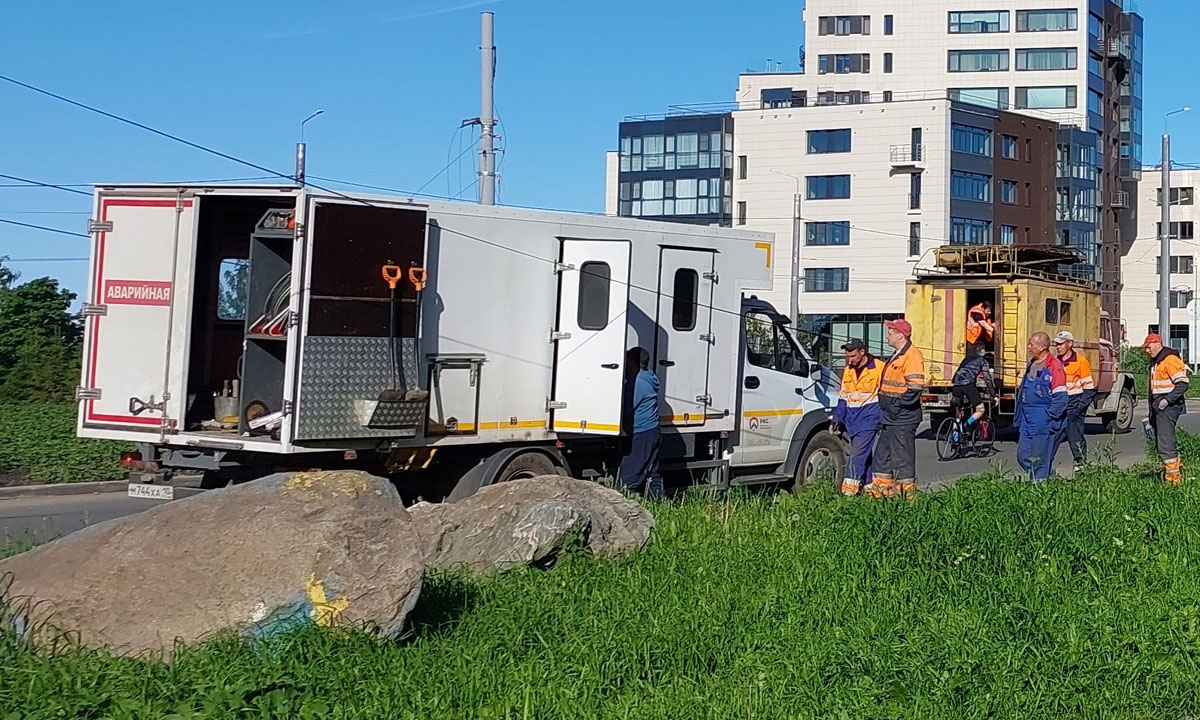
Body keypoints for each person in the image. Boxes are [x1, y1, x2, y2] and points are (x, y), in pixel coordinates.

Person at [865, 319, 925, 499]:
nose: (887, 335)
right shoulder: (898, 354)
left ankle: (905, 497)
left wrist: (895, 406)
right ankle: (882, 493)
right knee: (883, 456)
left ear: (900, 335)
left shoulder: (912, 356)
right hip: (890, 417)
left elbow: (915, 388)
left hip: (901, 418)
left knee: (902, 458)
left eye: (890, 332)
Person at [1014, 332, 1068, 482]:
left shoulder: (1054, 367)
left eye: (1032, 344)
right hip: (1026, 417)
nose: (1029, 347)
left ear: (1043, 347)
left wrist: (1049, 417)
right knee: (1023, 455)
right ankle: (1049, 476)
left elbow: (1061, 398)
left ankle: (1041, 489)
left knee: (1039, 457)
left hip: (1042, 417)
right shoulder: (1031, 364)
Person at [832, 338, 882, 497]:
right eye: (847, 356)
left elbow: (887, 394)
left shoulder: (880, 368)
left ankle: (848, 494)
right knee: (864, 456)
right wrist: (837, 418)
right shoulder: (848, 370)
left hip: (870, 417)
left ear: (862, 352)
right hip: (852, 420)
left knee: (857, 455)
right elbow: (844, 396)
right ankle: (870, 492)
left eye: (852, 356)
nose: (850, 359)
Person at [1143, 333, 1190, 485]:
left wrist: (1166, 400)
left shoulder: (1169, 360)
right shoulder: (1157, 362)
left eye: (1148, 347)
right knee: (1161, 442)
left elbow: (1183, 383)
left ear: (1157, 344)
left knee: (1165, 443)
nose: (1147, 351)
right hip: (1159, 406)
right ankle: (1176, 470)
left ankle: (1173, 481)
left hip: (1168, 407)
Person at [620, 347, 664, 499]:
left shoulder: (637, 383)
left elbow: (625, 408)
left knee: (628, 477)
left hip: (641, 434)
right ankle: (660, 505)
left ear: (633, 363)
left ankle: (627, 512)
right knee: (651, 473)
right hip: (652, 432)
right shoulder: (648, 377)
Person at [1053, 330, 1095, 472]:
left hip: (1074, 403)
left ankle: (1081, 470)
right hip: (1058, 405)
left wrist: (1078, 409)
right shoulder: (1054, 362)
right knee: (1051, 440)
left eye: (1060, 344)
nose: (1058, 347)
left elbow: (1089, 390)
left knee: (1076, 440)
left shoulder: (1081, 361)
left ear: (1069, 344)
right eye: (1056, 344)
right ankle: (1044, 472)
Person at [951, 345, 993, 438]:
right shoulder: (982, 361)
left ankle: (955, 437)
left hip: (956, 385)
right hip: (968, 386)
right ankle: (967, 424)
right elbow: (988, 379)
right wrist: (993, 394)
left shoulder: (967, 359)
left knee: (959, 413)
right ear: (983, 351)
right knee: (981, 409)